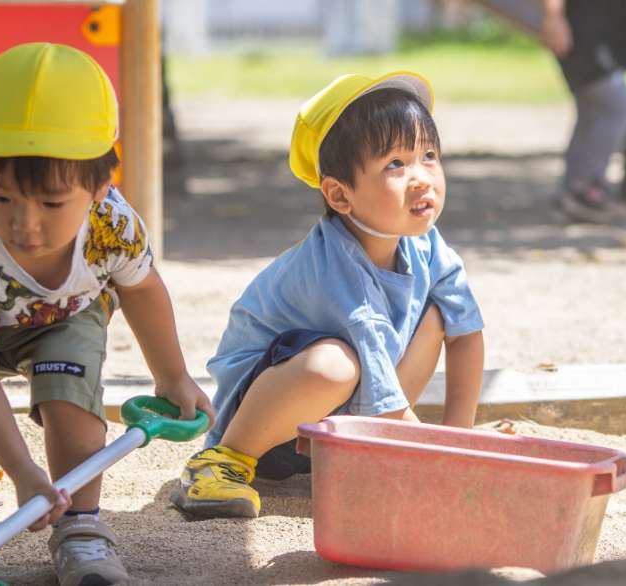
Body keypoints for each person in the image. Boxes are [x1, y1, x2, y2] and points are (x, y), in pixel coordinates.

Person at [0, 42, 213, 585]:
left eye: (52, 204)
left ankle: (81, 527)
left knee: (74, 403)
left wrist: (172, 375)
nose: (25, 225)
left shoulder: (113, 223)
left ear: (99, 187)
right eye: (2, 197)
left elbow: (142, 290)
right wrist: (22, 473)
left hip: (64, 313)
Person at [171, 72, 485, 519]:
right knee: (334, 365)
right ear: (340, 195)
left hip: (341, 418)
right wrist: (441, 463)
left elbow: (467, 334)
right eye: (395, 164)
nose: (421, 178)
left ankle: (370, 452)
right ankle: (223, 463)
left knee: (439, 316)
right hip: (267, 426)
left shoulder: (427, 245)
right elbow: (378, 390)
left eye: (428, 156)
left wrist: (462, 440)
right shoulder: (335, 267)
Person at [539, 0, 626, 221]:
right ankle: (584, 190)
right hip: (581, 29)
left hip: (600, 28)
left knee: (595, 107)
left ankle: (575, 190)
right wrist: (553, 16)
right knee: (616, 102)